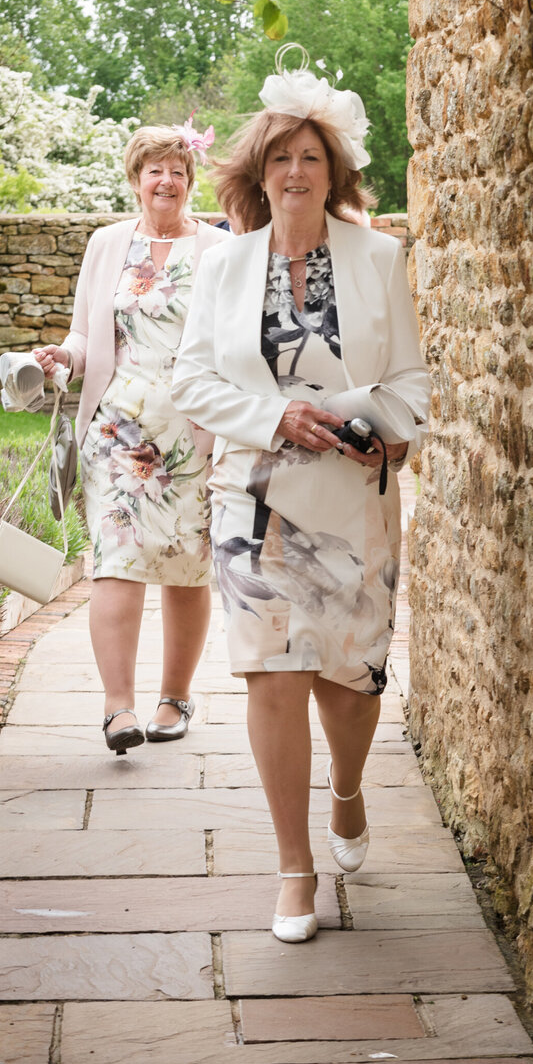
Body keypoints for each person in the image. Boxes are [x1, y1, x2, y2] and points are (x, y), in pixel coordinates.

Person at [171, 61, 430, 942]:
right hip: (254, 500)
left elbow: (409, 383)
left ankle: (348, 793)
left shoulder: (380, 257)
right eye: (280, 157)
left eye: (310, 156)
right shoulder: (224, 266)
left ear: (335, 170)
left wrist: (380, 423)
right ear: (259, 173)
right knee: (273, 679)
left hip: (355, 497)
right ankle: (294, 871)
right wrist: (274, 415)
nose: (294, 172)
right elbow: (193, 380)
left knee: (348, 688)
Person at [34, 122, 227, 754]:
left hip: (193, 435)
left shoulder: (219, 250)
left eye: (176, 170)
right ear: (136, 180)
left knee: (186, 568)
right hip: (117, 431)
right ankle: (118, 709)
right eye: (154, 170)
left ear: (189, 180)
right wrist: (62, 357)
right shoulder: (107, 244)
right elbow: (88, 337)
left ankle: (175, 697)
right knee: (115, 562)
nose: (165, 180)